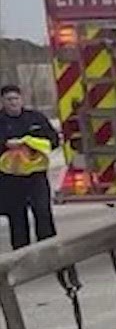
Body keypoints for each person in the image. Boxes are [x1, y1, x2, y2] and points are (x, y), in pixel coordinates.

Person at [0, 83, 61, 250]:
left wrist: (35, 146)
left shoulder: (36, 118)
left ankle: (49, 250)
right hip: (10, 179)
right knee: (17, 218)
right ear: (2, 102)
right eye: (9, 99)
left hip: (36, 176)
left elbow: (53, 140)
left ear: (22, 99)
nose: (13, 102)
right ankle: (21, 254)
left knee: (43, 213)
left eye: (16, 98)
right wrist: (6, 145)